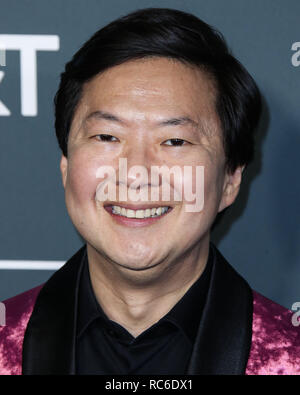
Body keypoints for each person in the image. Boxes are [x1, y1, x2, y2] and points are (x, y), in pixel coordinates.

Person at [0, 8, 299, 375]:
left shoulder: (288, 355)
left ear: (230, 181)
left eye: (174, 140)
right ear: (66, 166)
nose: (137, 172)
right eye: (107, 137)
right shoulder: (6, 342)